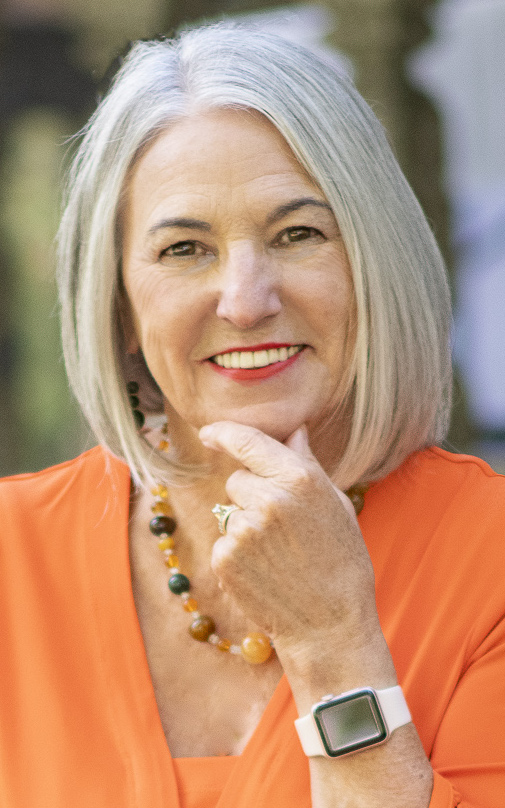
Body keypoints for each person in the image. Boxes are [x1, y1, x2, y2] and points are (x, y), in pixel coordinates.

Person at [0, 23, 504, 808]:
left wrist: (333, 644)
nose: (244, 301)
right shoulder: (12, 555)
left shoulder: (490, 560)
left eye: (296, 234)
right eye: (184, 250)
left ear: (373, 263)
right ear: (119, 305)